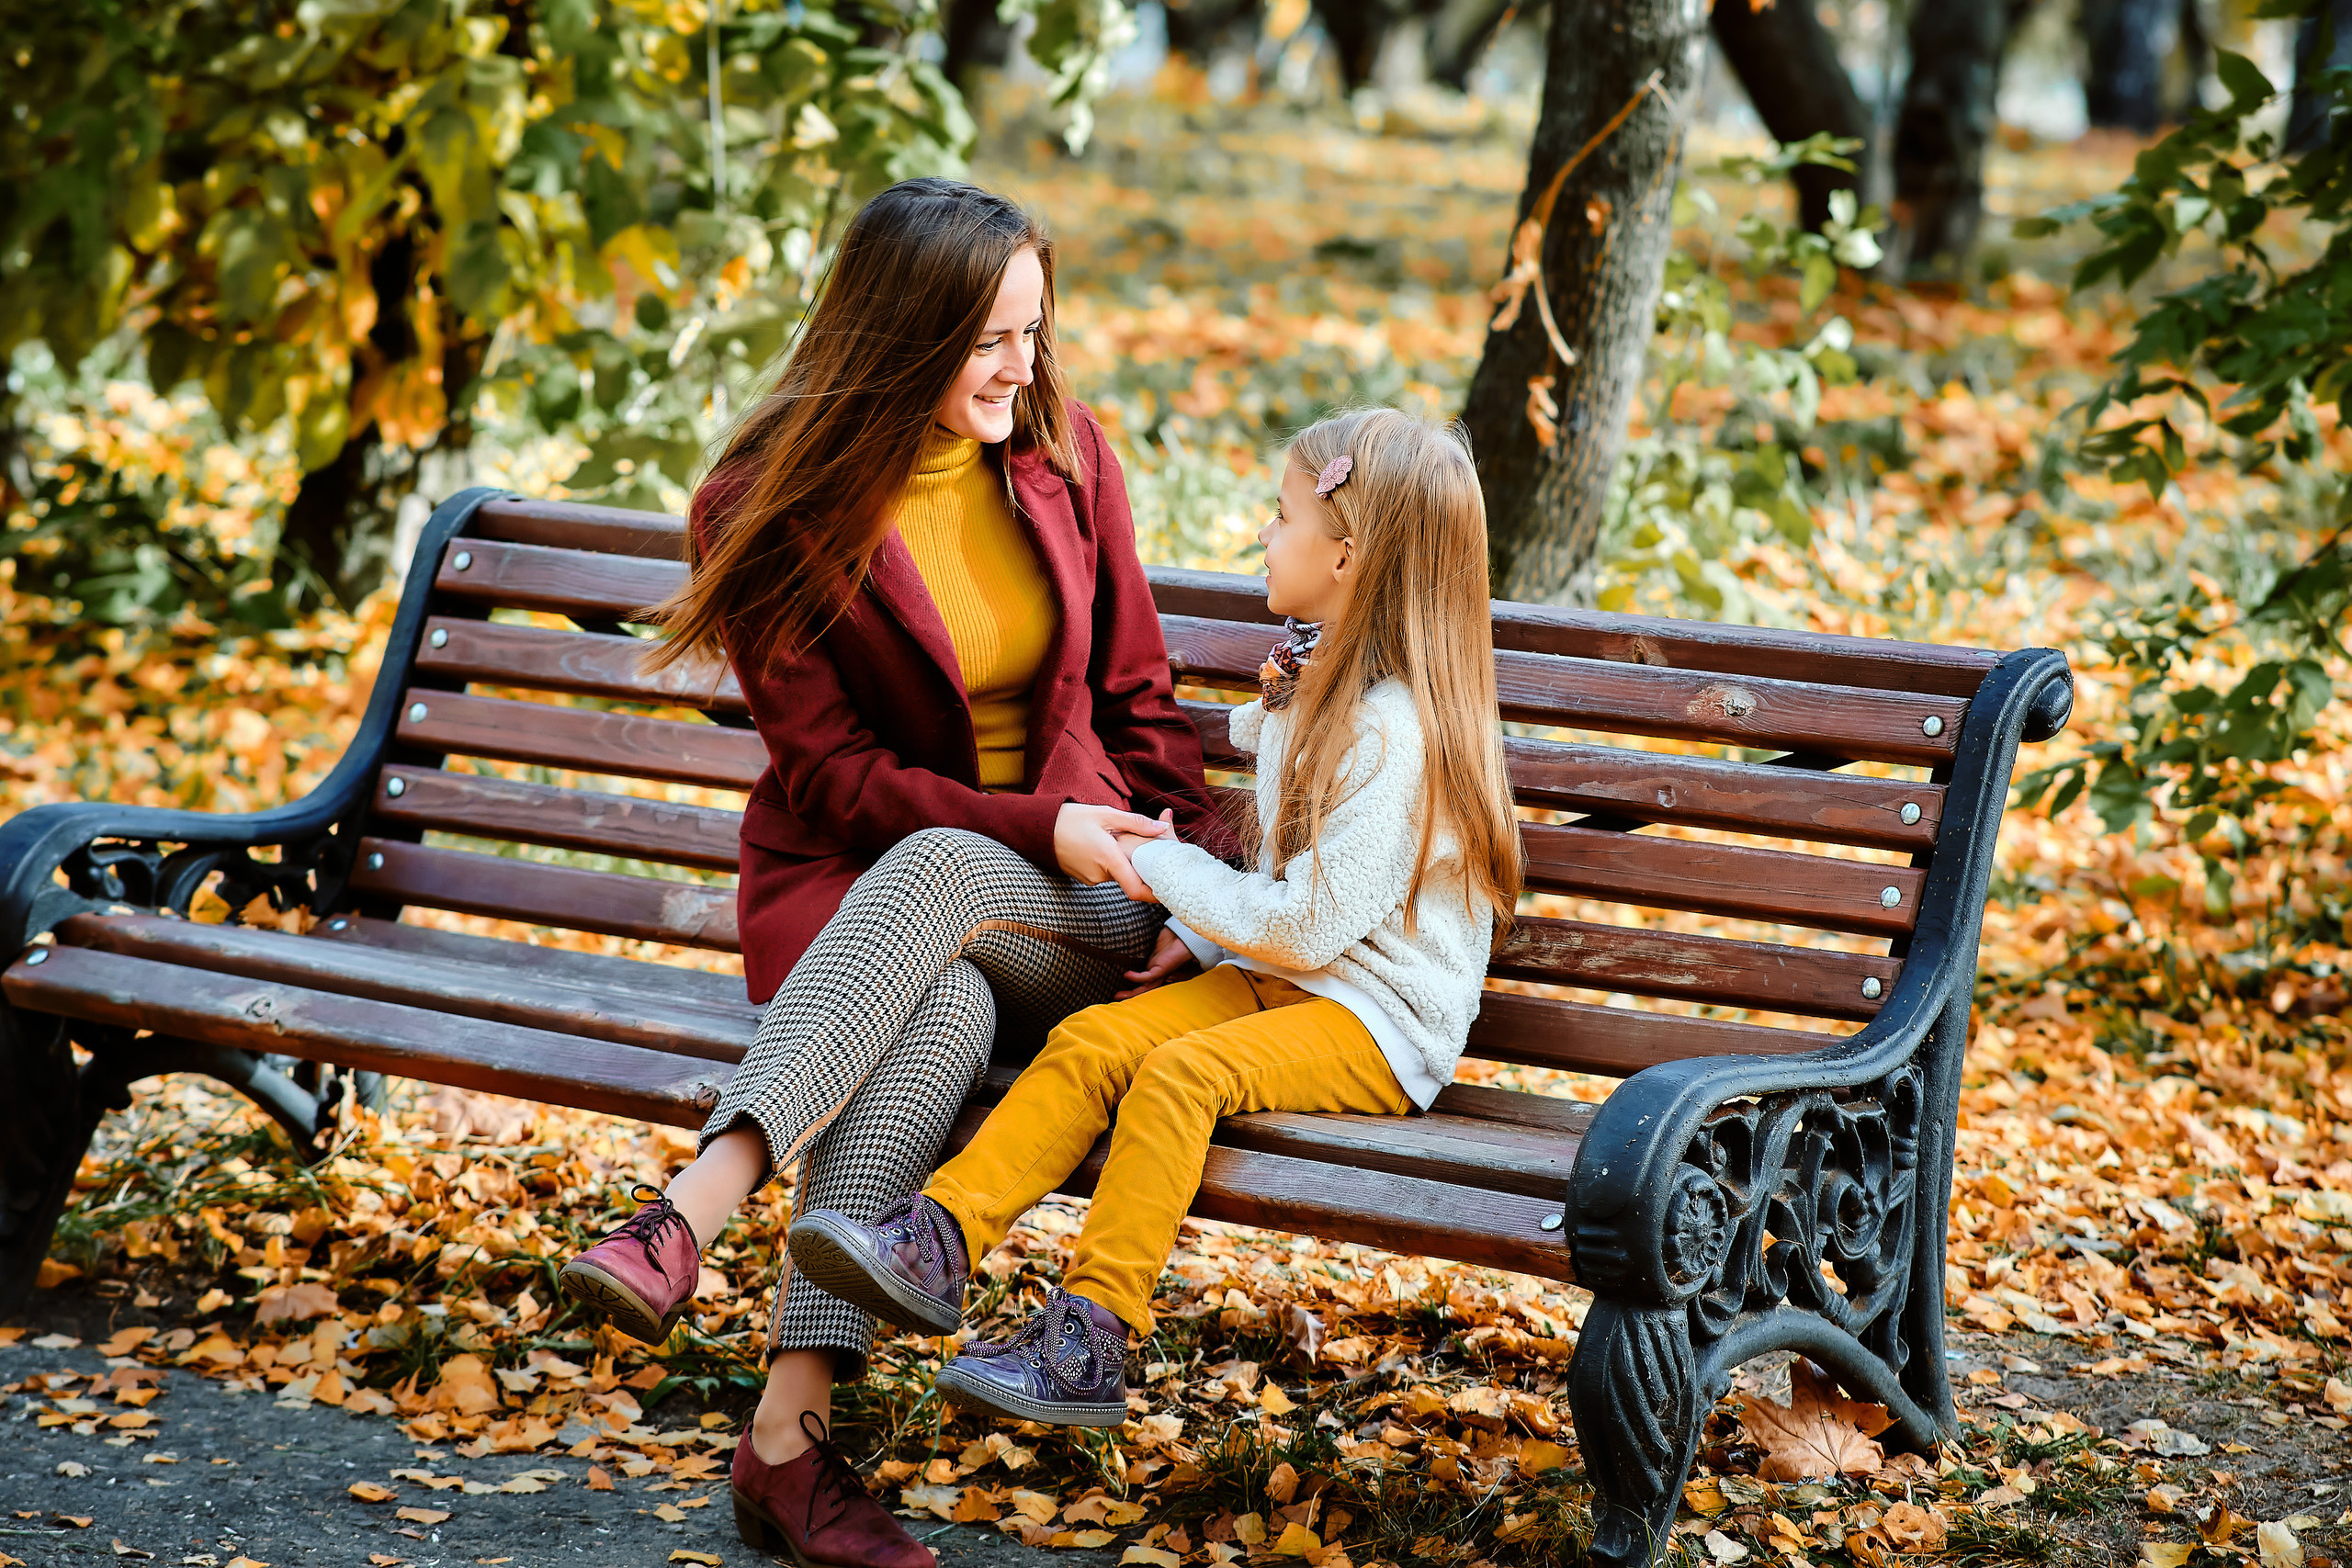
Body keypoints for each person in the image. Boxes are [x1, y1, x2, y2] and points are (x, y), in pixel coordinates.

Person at [554, 177, 1238, 1566]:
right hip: (855, 885)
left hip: (1084, 892)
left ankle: (685, 1214)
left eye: (1035, 332)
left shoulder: (1066, 454)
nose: (1023, 368)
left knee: (950, 870)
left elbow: (1141, 699)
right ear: (898, 331)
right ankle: (786, 1449)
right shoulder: (768, 501)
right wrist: (1021, 825)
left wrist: (1203, 892)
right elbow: (831, 776)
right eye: (990, 339)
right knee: (940, 1014)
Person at [782, 408, 1524, 1427]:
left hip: (1381, 1019)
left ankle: (1090, 1340)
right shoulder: (1320, 692)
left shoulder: (1391, 731)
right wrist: (1205, 934)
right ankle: (935, 1242)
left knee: (1179, 1077)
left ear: (1345, 555)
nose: (1262, 536)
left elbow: (1308, 925)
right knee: (1093, 1041)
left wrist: (1171, 872)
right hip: (1290, 979)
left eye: (1281, 516)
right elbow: (1286, 882)